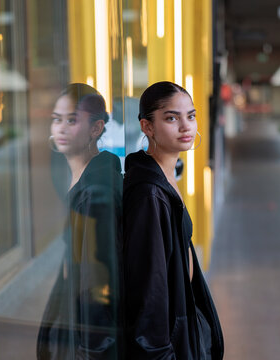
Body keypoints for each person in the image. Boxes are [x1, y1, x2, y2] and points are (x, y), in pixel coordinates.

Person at [122, 81, 224, 359]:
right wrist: (160, 353)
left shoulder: (165, 176)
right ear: (147, 127)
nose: (185, 126)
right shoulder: (149, 194)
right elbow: (148, 289)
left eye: (190, 116)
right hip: (167, 339)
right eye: (171, 118)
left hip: (182, 319)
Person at [37, 83, 123, 360]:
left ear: (96, 129)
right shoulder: (72, 177)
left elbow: (99, 285)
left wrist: (91, 350)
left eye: (72, 120)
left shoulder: (97, 192)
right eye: (57, 119)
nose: (61, 128)